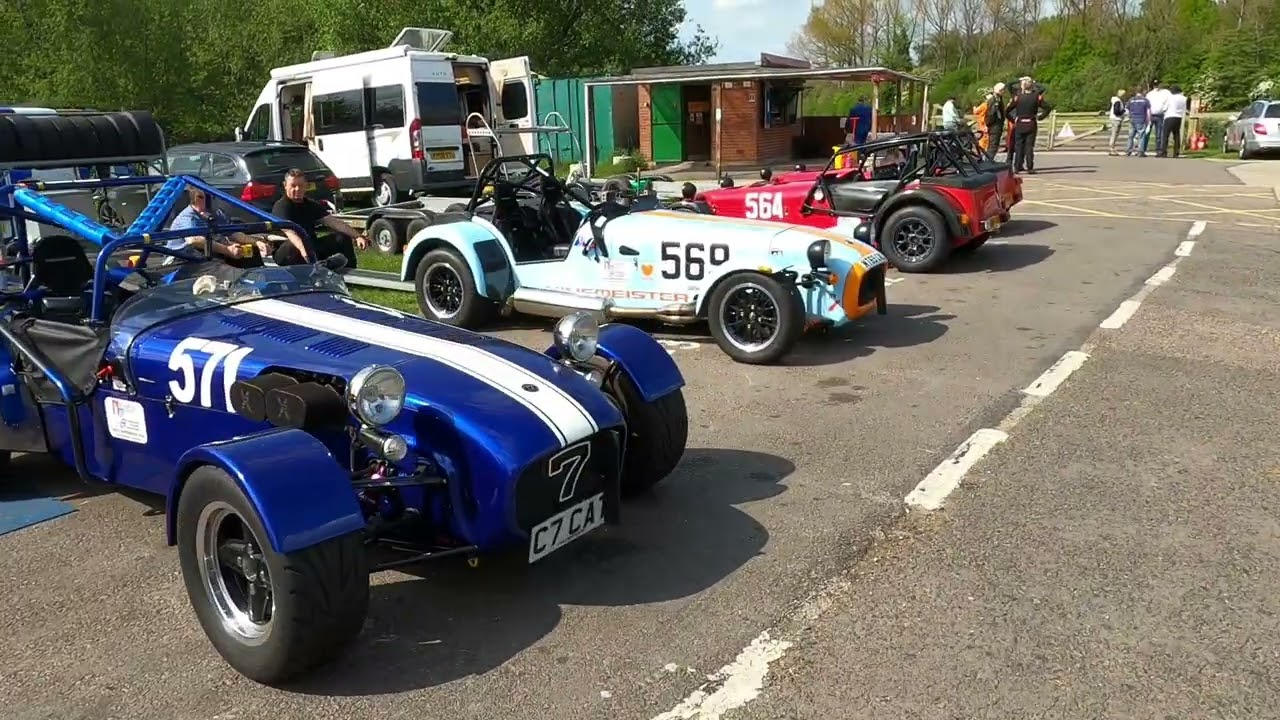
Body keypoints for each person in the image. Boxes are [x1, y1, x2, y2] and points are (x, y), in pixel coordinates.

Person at [270, 168, 368, 267]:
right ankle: (312, 268)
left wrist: (357, 236)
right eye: (293, 186)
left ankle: (349, 273)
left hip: (310, 247)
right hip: (288, 253)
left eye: (300, 186)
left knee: (342, 238)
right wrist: (307, 254)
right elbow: (291, 234)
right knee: (293, 244)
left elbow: (333, 222)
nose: (297, 189)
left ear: (306, 186)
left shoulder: (310, 204)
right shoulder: (281, 206)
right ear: (285, 186)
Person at [166, 187, 270, 267]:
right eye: (201, 197)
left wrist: (257, 243)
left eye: (208, 196)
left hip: (211, 254)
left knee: (251, 253)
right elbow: (194, 240)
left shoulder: (216, 213)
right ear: (194, 199)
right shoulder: (188, 216)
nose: (206, 200)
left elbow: (232, 233)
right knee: (221, 266)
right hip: (182, 260)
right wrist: (227, 250)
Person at [1009, 77, 1052, 174]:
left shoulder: (1018, 97)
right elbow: (1048, 108)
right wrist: (1040, 117)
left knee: (1018, 146)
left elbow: (1007, 111)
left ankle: (1017, 167)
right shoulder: (1036, 96)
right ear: (1032, 86)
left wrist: (1013, 119)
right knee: (1029, 147)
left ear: (1023, 86)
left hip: (1020, 123)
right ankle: (1030, 167)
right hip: (1031, 123)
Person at [1160, 85, 1188, 158]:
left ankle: (1164, 152)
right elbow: (1184, 109)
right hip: (1178, 117)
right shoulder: (1184, 98)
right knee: (1176, 135)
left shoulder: (1170, 98)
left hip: (1169, 116)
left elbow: (1164, 107)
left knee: (1166, 135)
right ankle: (1176, 152)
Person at [1146, 80, 1171, 156]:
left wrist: (1165, 109)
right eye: (1155, 85)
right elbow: (1147, 104)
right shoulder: (1149, 94)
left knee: (1159, 134)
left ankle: (1159, 150)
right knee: (1147, 132)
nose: (1156, 87)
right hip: (1151, 115)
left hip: (1160, 115)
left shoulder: (1166, 93)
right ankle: (1143, 148)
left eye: (1157, 85)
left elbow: (1169, 102)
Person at [1124, 89, 1151, 157]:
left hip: (1132, 119)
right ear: (1142, 92)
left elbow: (1126, 109)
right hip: (1141, 118)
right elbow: (1148, 111)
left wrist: (1129, 116)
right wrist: (1148, 119)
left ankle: (1128, 150)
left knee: (1131, 135)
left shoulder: (1131, 100)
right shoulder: (1145, 100)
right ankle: (1140, 151)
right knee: (1141, 135)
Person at [984, 83, 1007, 160]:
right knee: (993, 145)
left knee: (994, 145)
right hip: (994, 126)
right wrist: (988, 124)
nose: (1004, 92)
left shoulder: (998, 99)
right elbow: (991, 113)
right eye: (1003, 90)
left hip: (996, 125)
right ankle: (988, 161)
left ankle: (989, 160)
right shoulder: (994, 100)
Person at [1106, 89, 1127, 156]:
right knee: (1114, 134)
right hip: (1116, 119)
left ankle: (1112, 147)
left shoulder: (1116, 100)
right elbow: (1116, 112)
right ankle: (1111, 148)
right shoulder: (1117, 101)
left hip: (1116, 119)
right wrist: (1123, 111)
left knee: (1115, 134)